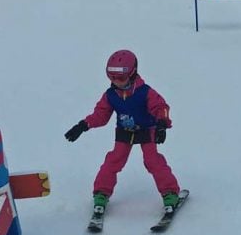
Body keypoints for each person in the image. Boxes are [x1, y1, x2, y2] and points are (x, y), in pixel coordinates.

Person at [64, 49, 182, 220]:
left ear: (133, 73)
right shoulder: (111, 95)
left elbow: (161, 107)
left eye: (120, 78)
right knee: (113, 160)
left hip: (146, 129)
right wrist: (84, 125)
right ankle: (101, 194)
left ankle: (170, 192)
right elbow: (101, 115)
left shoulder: (144, 92)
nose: (116, 82)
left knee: (152, 160)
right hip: (124, 132)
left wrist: (162, 125)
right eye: (111, 77)